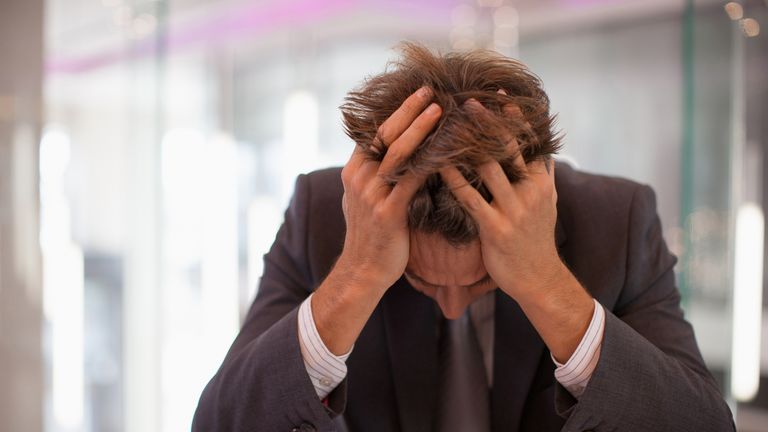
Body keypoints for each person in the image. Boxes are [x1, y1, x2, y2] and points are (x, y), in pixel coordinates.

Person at [192, 43, 735, 432]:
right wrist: (357, 275)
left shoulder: (618, 221)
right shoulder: (322, 216)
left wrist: (545, 284)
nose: (452, 306)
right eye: (421, 280)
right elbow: (219, 421)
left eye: (480, 282)